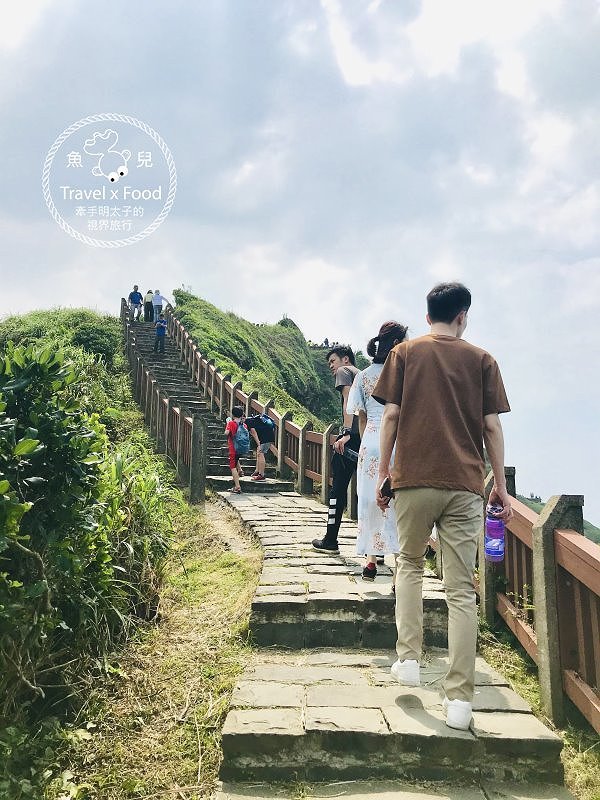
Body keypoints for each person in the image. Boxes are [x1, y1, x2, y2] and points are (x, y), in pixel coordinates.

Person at [373, 282, 512, 732]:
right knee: (458, 590)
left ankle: (409, 659)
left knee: (409, 564)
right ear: (462, 315)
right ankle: (459, 701)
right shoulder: (483, 360)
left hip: (413, 479)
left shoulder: (405, 354)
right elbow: (491, 427)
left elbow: (391, 416)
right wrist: (500, 486)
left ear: (427, 312)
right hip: (465, 486)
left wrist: (384, 472)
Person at [347, 322, 408, 582]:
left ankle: (371, 560)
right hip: (397, 441)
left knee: (371, 501)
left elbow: (360, 418)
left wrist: (365, 443)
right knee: (398, 503)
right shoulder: (403, 373)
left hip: (370, 441)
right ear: (396, 343)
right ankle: (397, 569)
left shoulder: (362, 376)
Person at [312, 346, 360, 554]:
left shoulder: (345, 372)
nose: (331, 366)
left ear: (345, 359)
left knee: (338, 488)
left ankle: (330, 539)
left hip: (353, 437)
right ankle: (376, 553)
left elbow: (348, 400)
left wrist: (346, 432)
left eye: (333, 361)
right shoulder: (365, 375)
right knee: (369, 493)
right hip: (372, 437)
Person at [245, 411, 276, 481]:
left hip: (265, 438)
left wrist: (258, 444)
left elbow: (254, 433)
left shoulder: (248, 422)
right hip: (266, 436)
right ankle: (257, 471)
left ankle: (261, 474)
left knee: (261, 453)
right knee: (259, 453)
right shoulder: (251, 420)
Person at [225, 406, 249, 493]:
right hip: (241, 449)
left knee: (232, 467)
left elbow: (226, 433)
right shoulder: (244, 425)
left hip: (233, 448)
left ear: (233, 414)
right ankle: (240, 471)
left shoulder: (231, 423)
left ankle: (237, 487)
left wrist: (227, 424)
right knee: (236, 461)